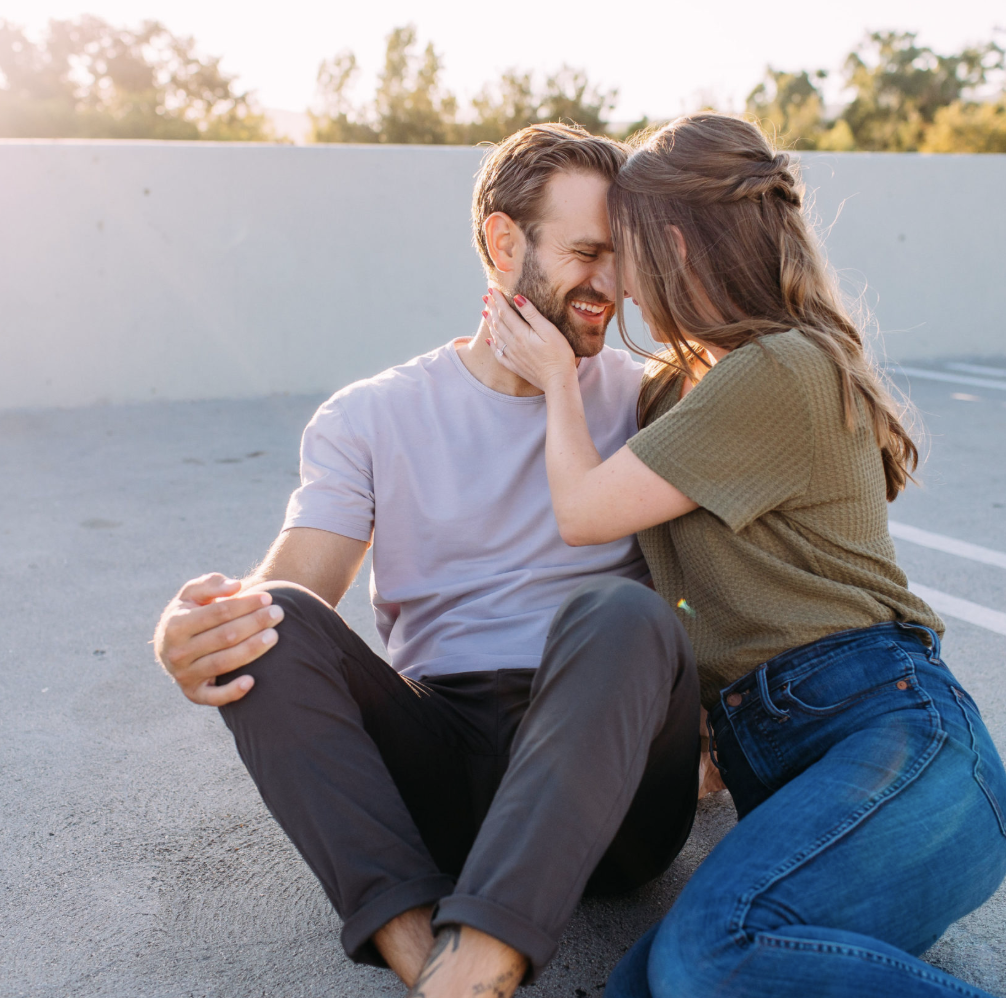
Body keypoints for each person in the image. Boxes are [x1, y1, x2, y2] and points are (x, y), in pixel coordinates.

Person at [152, 123, 701, 998]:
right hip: (448, 763)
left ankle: (472, 962)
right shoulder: (371, 415)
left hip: (615, 783)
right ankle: (433, 965)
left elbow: (713, 585)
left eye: (621, 257)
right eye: (587, 253)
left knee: (622, 611)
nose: (611, 284)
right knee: (273, 619)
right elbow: (298, 587)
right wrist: (201, 633)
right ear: (504, 243)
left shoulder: (651, 398)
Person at [483, 111, 1006, 998]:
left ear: (677, 248)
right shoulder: (677, 396)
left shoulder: (781, 367)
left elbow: (582, 512)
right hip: (804, 768)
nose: (618, 285)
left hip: (903, 746)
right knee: (647, 985)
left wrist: (555, 381)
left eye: (626, 252)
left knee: (706, 959)